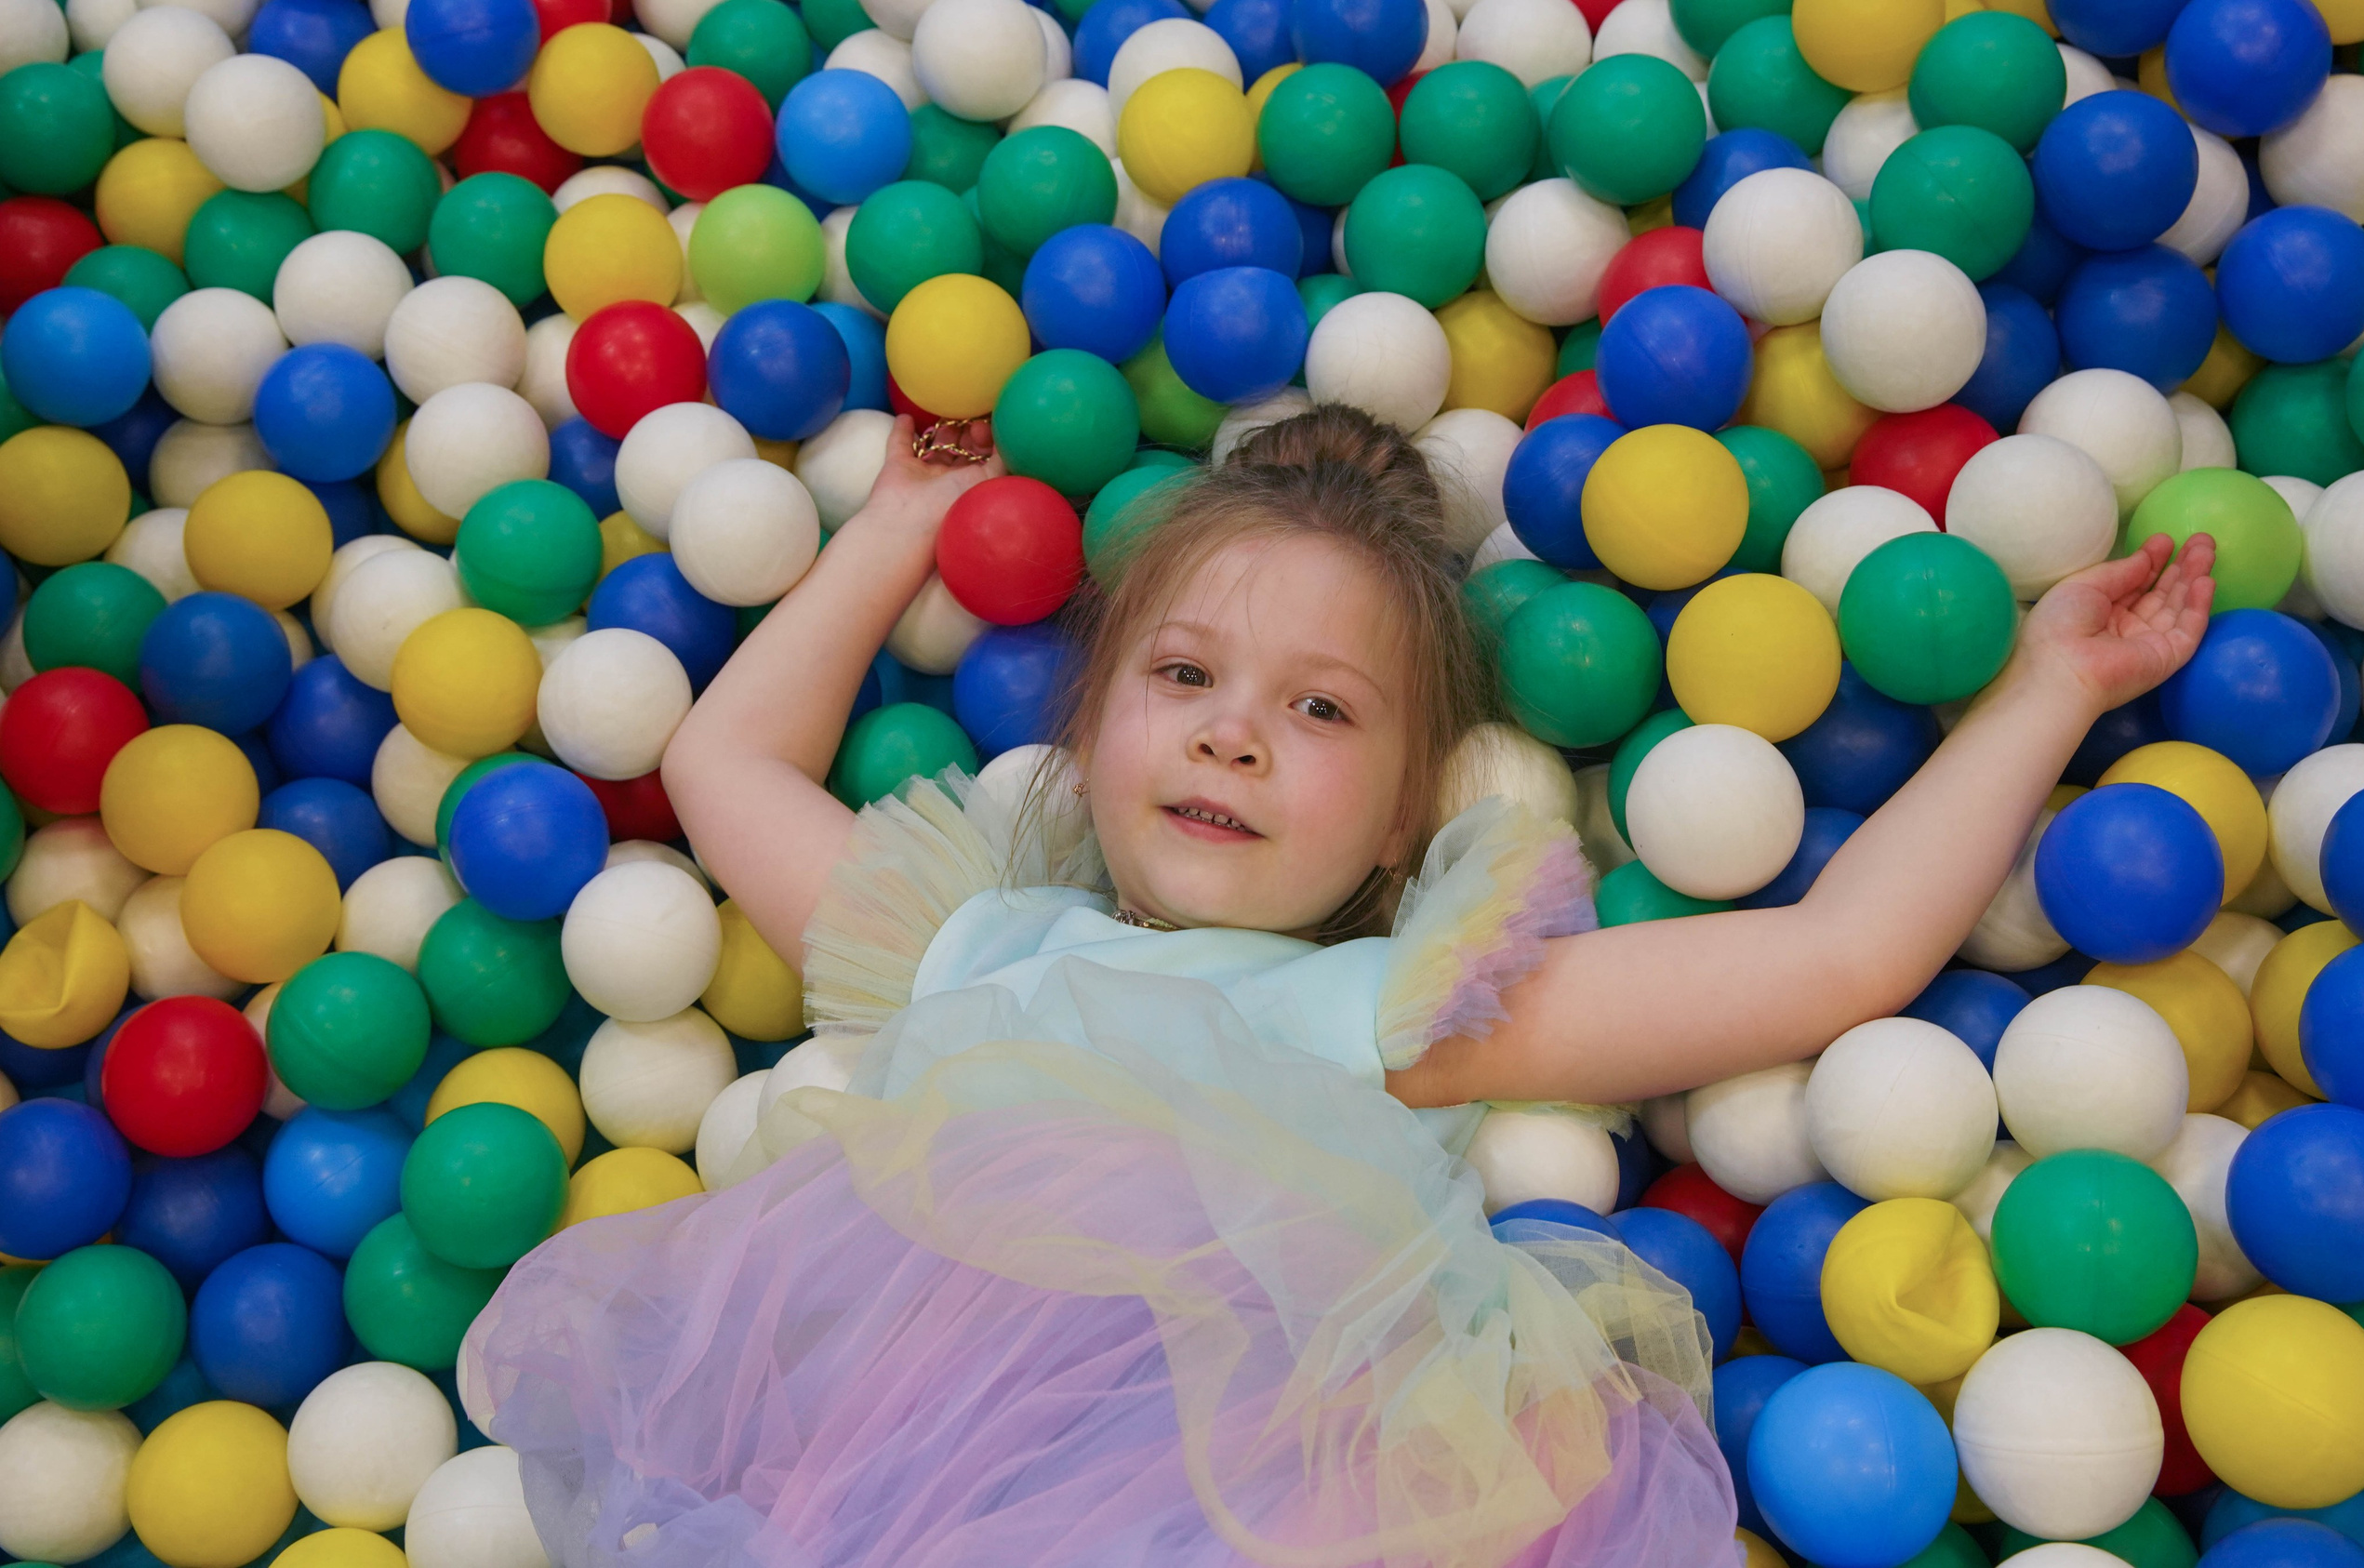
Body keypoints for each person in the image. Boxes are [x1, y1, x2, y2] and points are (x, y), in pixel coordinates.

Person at [460, 404, 2215, 1568]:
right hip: (876, 1481)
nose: (1236, 724)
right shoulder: (966, 938)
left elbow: (1833, 957)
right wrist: (908, 515)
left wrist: (2049, 688)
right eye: (1187, 671)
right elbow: (720, 762)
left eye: (1322, 709)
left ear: (1401, 820)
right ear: (1091, 725)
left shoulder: (1391, 1007)